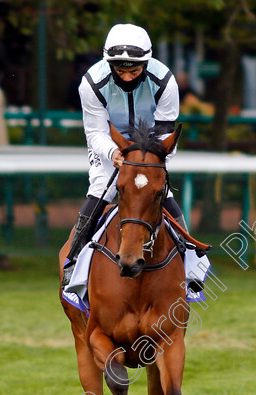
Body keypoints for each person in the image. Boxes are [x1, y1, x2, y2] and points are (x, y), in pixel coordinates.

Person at [61, 23, 188, 286]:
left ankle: (191, 263)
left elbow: (166, 131)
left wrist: (150, 162)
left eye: (134, 71)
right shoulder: (91, 83)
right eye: (120, 71)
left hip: (151, 148)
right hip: (110, 146)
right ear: (110, 65)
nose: (127, 77)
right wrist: (114, 154)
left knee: (166, 196)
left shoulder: (164, 80)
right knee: (100, 191)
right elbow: (95, 132)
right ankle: (73, 263)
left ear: (146, 62)